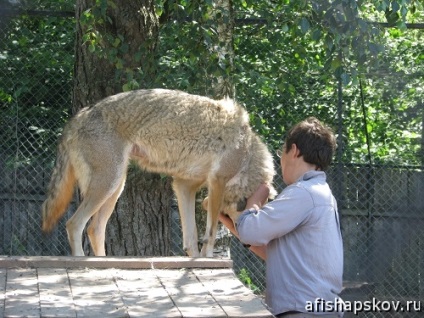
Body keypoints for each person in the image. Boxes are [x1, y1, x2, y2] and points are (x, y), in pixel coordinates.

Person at [219, 117, 344, 317]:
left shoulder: (304, 193)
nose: (280, 159)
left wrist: (257, 198)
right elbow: (274, 254)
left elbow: (251, 231)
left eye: (281, 152)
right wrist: (228, 220)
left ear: (294, 151)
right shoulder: (318, 193)